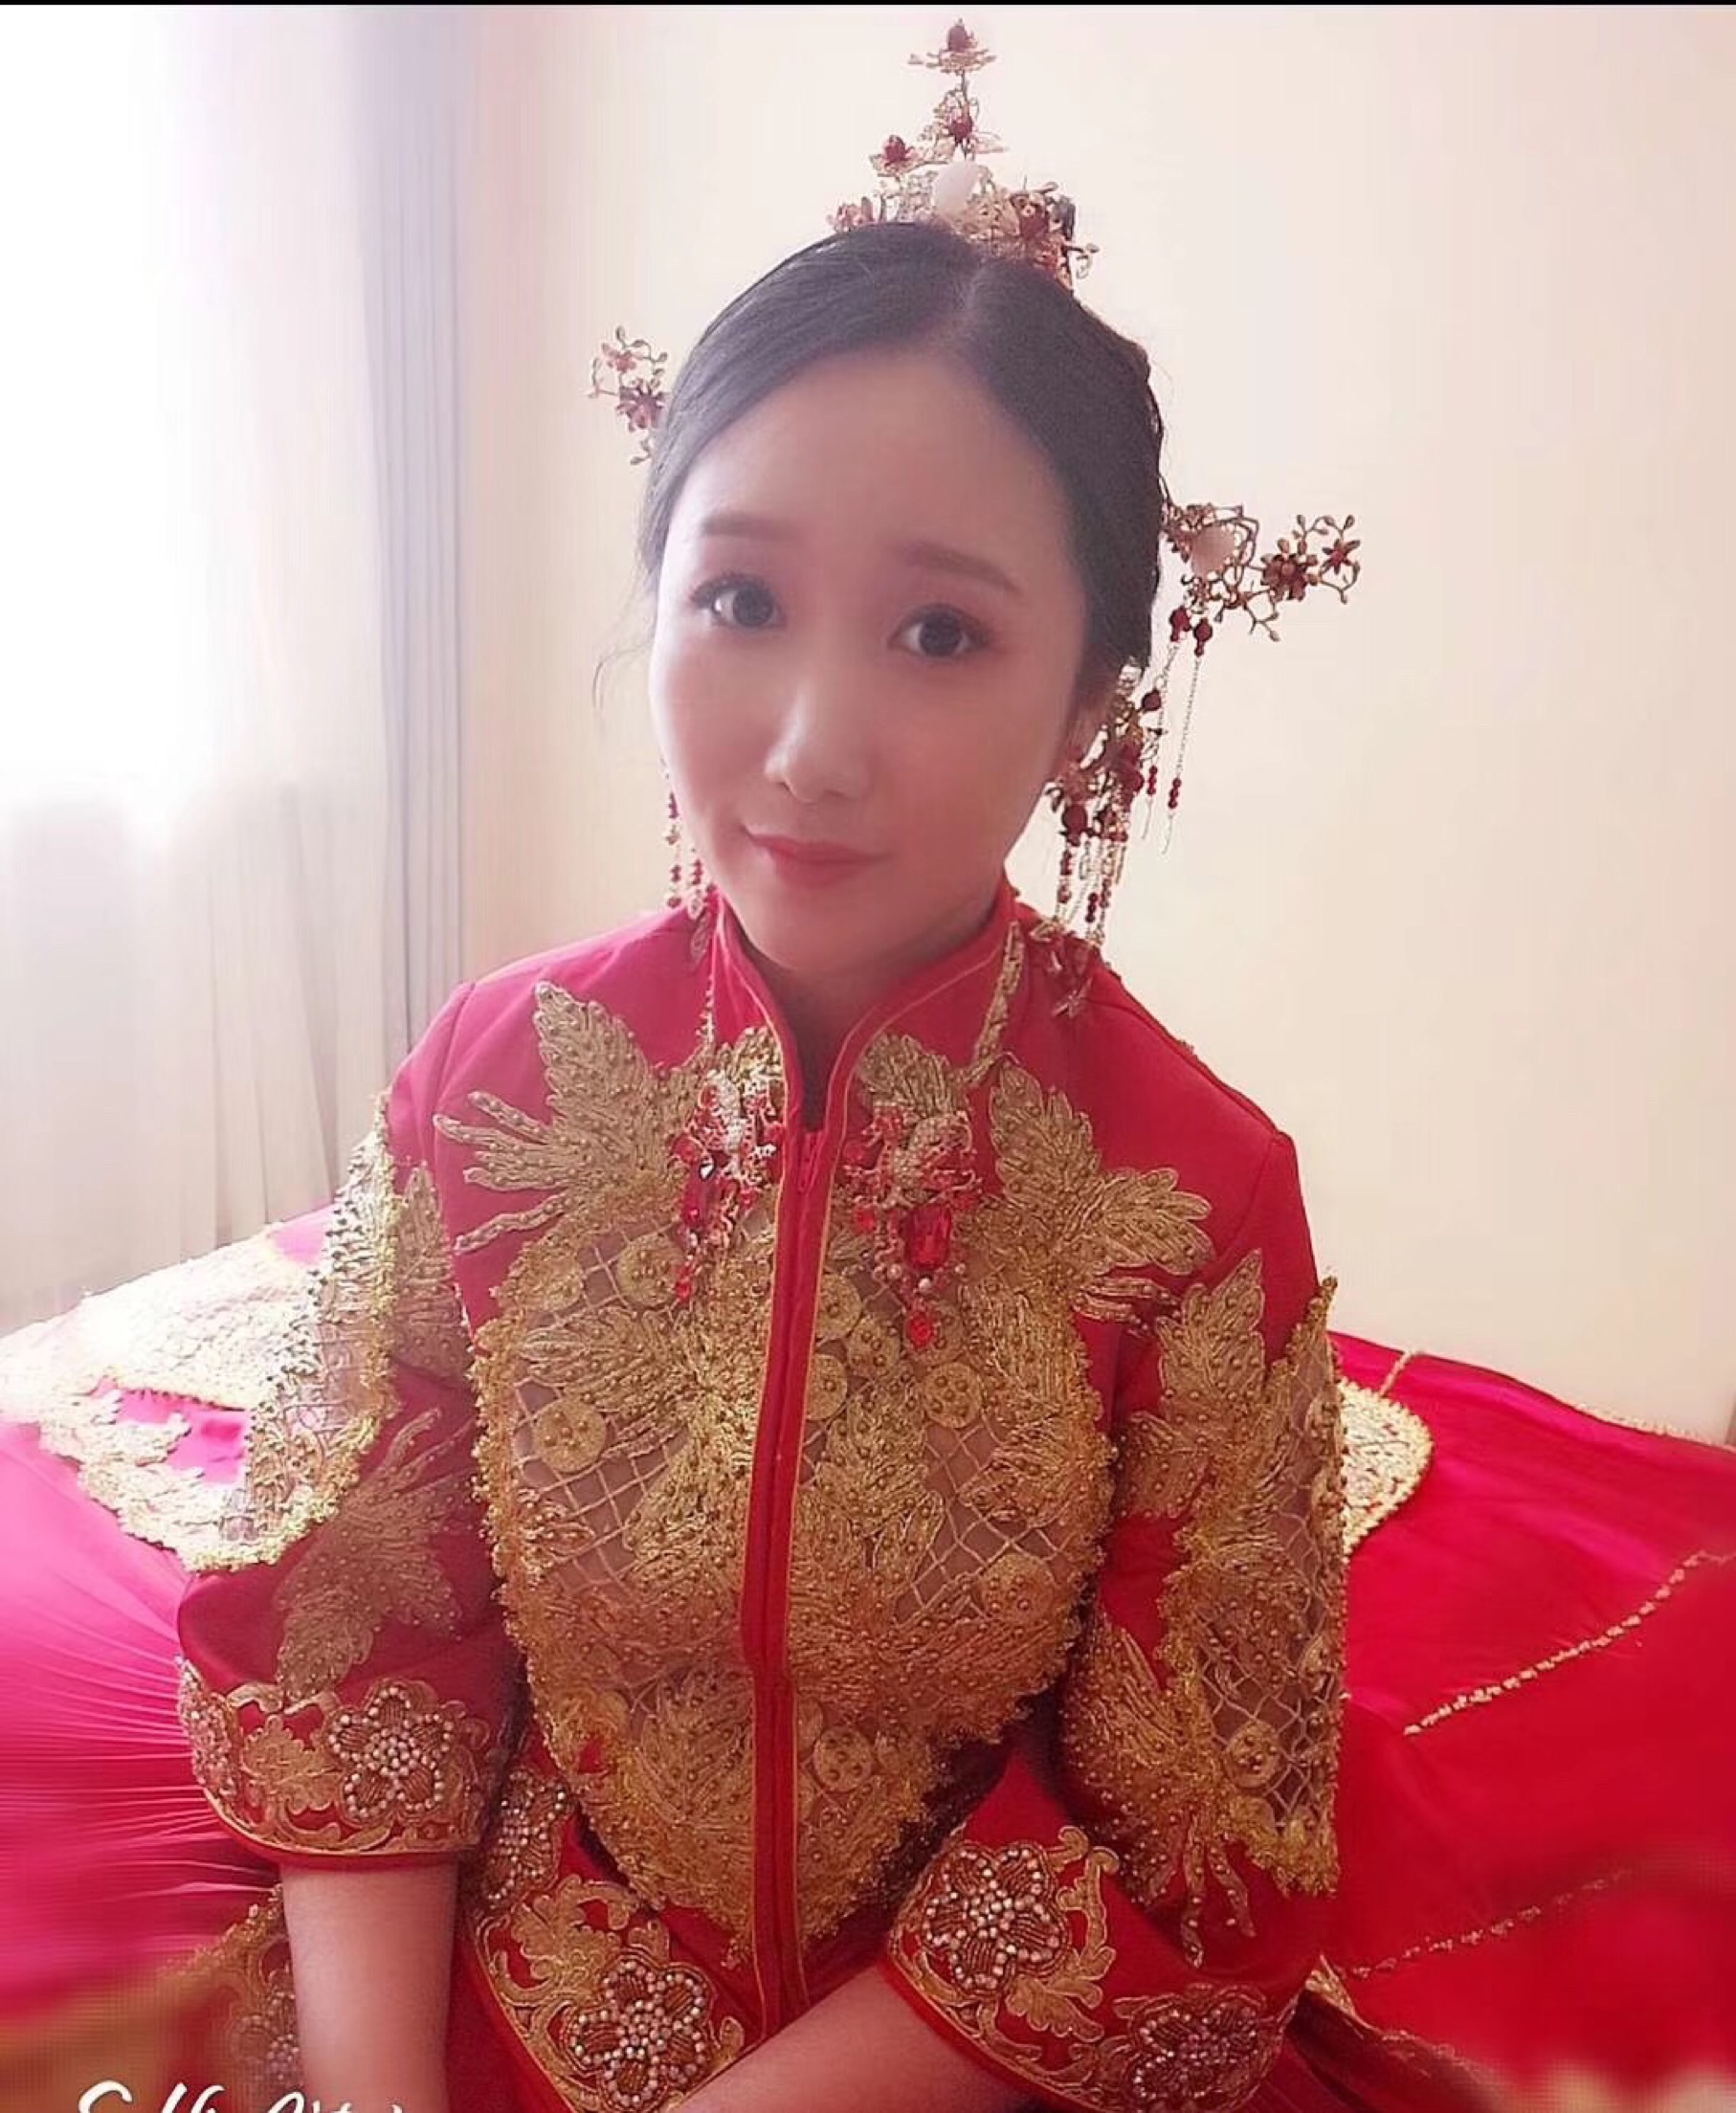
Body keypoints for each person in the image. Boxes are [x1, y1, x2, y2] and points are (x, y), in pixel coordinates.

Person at [2, 211, 1733, 2113]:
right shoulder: (488, 1087)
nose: (812, 749)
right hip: (507, 1994)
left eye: (939, 634)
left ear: (1086, 708)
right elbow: (353, 1641)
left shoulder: (1187, 1196)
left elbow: (1178, 1845)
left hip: (953, 2060)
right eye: (741, 599)